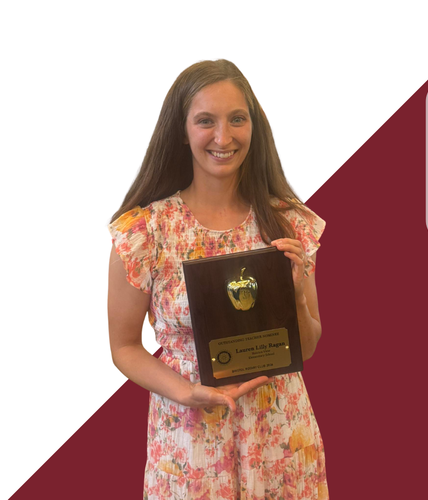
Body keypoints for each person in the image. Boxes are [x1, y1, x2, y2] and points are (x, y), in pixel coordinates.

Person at [107, 59, 328, 499]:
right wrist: (188, 392)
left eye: (237, 120)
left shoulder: (288, 224)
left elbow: (305, 347)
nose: (223, 138)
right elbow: (124, 347)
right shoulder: (144, 232)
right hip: (189, 442)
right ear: (181, 130)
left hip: (281, 437)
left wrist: (297, 291)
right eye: (206, 121)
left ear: (254, 127)